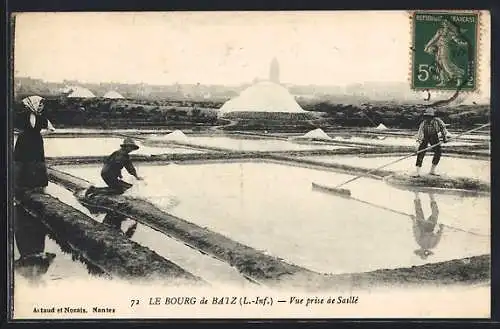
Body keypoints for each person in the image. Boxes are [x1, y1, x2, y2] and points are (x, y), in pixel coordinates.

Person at [13, 96, 56, 197]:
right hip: (23, 141)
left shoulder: (42, 118)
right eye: (39, 105)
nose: (41, 107)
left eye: (42, 105)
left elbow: (51, 129)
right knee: (23, 161)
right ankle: (22, 186)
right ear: (33, 104)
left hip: (36, 142)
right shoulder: (22, 115)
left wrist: (40, 134)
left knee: (36, 161)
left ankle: (37, 185)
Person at [413, 108, 449, 177]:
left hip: (434, 137)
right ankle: (417, 172)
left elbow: (443, 129)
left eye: (429, 117)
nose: (428, 119)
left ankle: (432, 170)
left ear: (432, 117)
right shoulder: (423, 123)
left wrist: (444, 138)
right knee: (420, 152)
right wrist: (418, 144)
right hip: (426, 137)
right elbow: (420, 134)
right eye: (427, 117)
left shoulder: (438, 121)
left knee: (438, 152)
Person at [411, 192, 444, 260]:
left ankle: (416, 195)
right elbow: (438, 236)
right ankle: (431, 196)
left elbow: (416, 231)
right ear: (427, 252)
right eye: (425, 253)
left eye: (421, 252)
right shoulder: (433, 245)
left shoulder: (419, 242)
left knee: (419, 212)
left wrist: (414, 221)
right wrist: (441, 229)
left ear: (420, 251)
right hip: (430, 227)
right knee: (435, 213)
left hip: (422, 227)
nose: (423, 250)